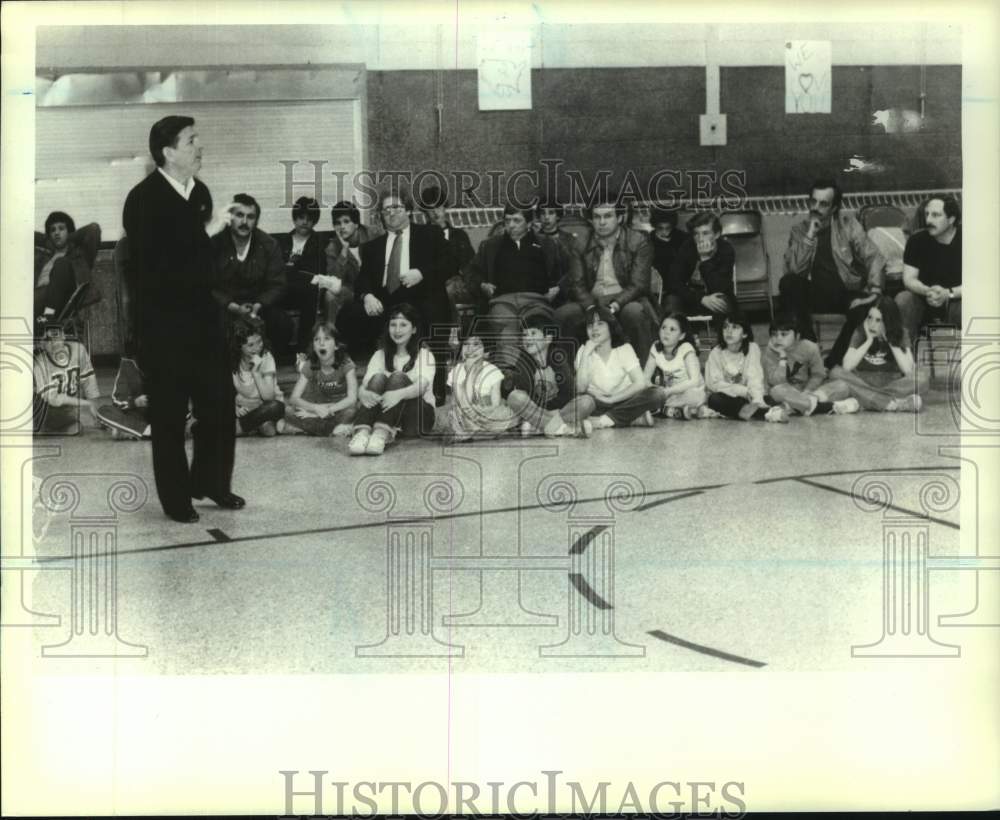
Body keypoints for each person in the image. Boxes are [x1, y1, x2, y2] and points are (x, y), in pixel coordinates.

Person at [122, 114, 242, 523]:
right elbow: (156, 270)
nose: (199, 146)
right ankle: (176, 500)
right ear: (169, 152)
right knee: (170, 417)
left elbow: (208, 265)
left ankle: (210, 482)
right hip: (164, 326)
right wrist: (207, 234)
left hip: (203, 322)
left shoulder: (201, 192)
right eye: (192, 141)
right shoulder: (142, 200)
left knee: (220, 407)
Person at [346, 188, 451, 403]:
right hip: (386, 299)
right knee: (349, 314)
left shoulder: (429, 234)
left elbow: (450, 262)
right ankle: (369, 381)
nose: (391, 213)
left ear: (409, 211)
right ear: (381, 216)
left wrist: (422, 273)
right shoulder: (372, 247)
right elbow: (362, 279)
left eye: (396, 207)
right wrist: (367, 295)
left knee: (435, 307)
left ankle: (436, 386)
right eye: (386, 210)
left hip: (420, 295)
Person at [780, 179, 886, 365]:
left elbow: (874, 257)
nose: (816, 207)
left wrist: (875, 291)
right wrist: (810, 234)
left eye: (823, 204)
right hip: (814, 294)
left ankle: (832, 362)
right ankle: (811, 346)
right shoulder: (799, 231)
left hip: (845, 292)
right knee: (788, 282)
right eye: (813, 201)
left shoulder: (849, 226)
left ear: (835, 208)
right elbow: (795, 270)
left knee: (865, 308)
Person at [555, 196, 659, 365]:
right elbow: (577, 284)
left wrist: (614, 306)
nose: (602, 222)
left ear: (620, 217)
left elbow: (639, 285)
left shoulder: (638, 241)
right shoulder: (580, 243)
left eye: (608, 216)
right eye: (597, 217)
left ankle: (644, 374)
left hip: (625, 300)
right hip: (590, 300)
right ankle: (568, 378)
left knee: (634, 313)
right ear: (591, 219)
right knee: (564, 315)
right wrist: (590, 306)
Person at [464, 204, 562, 364]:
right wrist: (482, 285)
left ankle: (541, 375)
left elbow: (566, 271)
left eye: (517, 221)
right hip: (503, 301)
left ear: (529, 223)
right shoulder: (490, 246)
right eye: (507, 220)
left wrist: (557, 288)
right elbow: (470, 272)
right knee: (508, 332)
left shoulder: (547, 244)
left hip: (536, 300)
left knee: (536, 332)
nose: (511, 225)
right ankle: (512, 378)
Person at [348, 303, 437, 456]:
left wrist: (397, 394)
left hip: (417, 418)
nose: (397, 330)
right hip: (391, 415)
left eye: (403, 325)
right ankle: (362, 433)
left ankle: (381, 434)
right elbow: (365, 386)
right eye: (393, 325)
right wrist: (363, 393)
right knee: (378, 378)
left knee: (397, 377)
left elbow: (421, 387)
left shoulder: (425, 355)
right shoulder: (379, 355)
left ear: (414, 329)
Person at [213, 192, 291, 353]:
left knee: (282, 322)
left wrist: (258, 305)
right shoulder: (215, 244)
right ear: (230, 218)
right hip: (227, 306)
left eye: (250, 217)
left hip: (258, 304)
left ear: (256, 221)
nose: (244, 222)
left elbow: (278, 284)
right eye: (239, 215)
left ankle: (268, 365)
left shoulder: (269, 244)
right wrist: (233, 307)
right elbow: (208, 286)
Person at [828, 296, 928, 412]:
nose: (871, 324)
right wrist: (868, 341)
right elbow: (847, 366)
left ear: (888, 321)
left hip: (891, 382)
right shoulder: (860, 332)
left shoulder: (901, 332)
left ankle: (867, 400)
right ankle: (894, 403)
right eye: (869, 318)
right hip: (862, 380)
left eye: (878, 320)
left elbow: (908, 370)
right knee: (835, 373)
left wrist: (891, 340)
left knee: (922, 377)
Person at [502, 313, 595, 437]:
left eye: (533, 333)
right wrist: (542, 412)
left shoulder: (557, 357)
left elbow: (569, 393)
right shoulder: (523, 360)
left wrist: (551, 414)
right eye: (524, 335)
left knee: (588, 402)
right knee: (514, 397)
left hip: (558, 410)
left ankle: (541, 427)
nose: (527, 339)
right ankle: (565, 427)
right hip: (537, 410)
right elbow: (526, 395)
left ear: (548, 339)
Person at [574, 304, 665, 429]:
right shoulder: (583, 351)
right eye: (590, 325)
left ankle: (603, 421)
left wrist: (612, 399)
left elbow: (640, 383)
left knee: (658, 394)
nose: (594, 329)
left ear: (610, 327)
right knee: (582, 404)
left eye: (600, 324)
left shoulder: (624, 349)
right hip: (597, 402)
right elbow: (580, 388)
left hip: (625, 399)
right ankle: (630, 418)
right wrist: (585, 355)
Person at [761, 313, 858, 416]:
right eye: (774, 334)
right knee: (776, 391)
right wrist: (782, 357)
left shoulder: (809, 347)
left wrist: (807, 391)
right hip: (786, 391)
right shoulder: (770, 352)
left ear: (797, 336)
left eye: (784, 334)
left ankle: (798, 406)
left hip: (809, 391)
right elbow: (775, 382)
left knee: (842, 386)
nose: (778, 338)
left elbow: (818, 375)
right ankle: (826, 407)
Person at [895, 196, 962, 343]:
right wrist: (927, 291)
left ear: (951, 219)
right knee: (903, 299)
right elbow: (909, 279)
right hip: (924, 299)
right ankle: (906, 355)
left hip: (956, 300)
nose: (928, 221)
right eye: (927, 214)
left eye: (936, 215)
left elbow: (978, 285)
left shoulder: (968, 239)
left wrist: (947, 294)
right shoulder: (917, 240)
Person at [701, 312, 789, 423]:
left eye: (735, 327)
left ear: (745, 334)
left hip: (750, 395)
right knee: (714, 400)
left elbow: (755, 377)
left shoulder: (753, 348)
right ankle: (765, 413)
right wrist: (742, 391)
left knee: (767, 397)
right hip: (729, 396)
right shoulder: (716, 353)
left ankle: (751, 411)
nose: (729, 331)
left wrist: (757, 399)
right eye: (725, 327)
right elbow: (714, 384)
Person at [284, 320, 358, 436]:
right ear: (313, 346)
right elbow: (294, 398)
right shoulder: (310, 364)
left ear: (336, 346)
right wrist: (315, 409)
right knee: (287, 410)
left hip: (338, 409)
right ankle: (332, 430)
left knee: (352, 411)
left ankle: (310, 429)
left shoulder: (346, 364)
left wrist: (327, 410)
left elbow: (352, 399)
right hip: (317, 408)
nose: (321, 343)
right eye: (316, 339)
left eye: (327, 339)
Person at [276, 196, 327, 348]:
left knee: (309, 292)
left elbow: (318, 271)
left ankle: (303, 349)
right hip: (282, 290)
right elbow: (276, 269)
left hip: (305, 291)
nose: (305, 222)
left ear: (315, 221)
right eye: (301, 217)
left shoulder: (320, 242)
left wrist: (292, 269)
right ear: (294, 218)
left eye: (309, 218)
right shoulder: (282, 241)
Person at [446, 332, 516, 443]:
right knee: (452, 415)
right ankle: (480, 433)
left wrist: (479, 413)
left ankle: (470, 433)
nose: (470, 349)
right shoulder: (456, 371)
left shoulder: (492, 371)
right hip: (462, 411)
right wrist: (470, 374)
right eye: (466, 344)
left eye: (476, 344)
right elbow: (463, 403)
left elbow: (495, 405)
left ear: (486, 352)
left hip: (486, 412)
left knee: (505, 414)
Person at [664, 211, 736, 320]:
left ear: (717, 234)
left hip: (715, 297)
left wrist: (705, 259)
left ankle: (722, 336)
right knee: (671, 301)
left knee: (723, 301)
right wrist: (701, 298)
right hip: (691, 298)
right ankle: (678, 335)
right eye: (696, 234)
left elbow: (721, 287)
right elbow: (674, 283)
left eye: (705, 233)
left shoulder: (726, 250)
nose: (700, 238)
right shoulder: (687, 247)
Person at [32, 321, 100, 434]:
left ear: (63, 335)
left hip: (70, 406)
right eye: (48, 340)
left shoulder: (78, 349)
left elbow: (88, 381)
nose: (54, 343)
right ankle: (44, 428)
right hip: (47, 409)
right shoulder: (40, 364)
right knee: (78, 424)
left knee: (79, 427)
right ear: (41, 343)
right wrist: (86, 405)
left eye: (56, 335)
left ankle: (58, 428)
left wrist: (95, 408)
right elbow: (55, 400)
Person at [34, 212, 102, 323]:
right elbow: (25, 235)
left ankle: (48, 316)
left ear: (69, 232)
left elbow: (93, 229)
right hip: (39, 298)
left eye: (61, 228)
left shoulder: (80, 254)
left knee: (61, 263)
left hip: (66, 299)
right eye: (53, 230)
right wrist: (49, 240)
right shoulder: (44, 257)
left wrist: (68, 236)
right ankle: (43, 321)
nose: (56, 232)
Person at [418, 186, 476, 317]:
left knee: (451, 289)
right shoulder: (420, 237)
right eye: (430, 209)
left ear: (445, 208)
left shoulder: (459, 235)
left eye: (438, 207)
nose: (435, 212)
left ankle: (457, 332)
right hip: (429, 283)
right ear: (425, 212)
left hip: (456, 283)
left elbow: (470, 263)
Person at [325, 200, 379, 331]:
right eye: (337, 223)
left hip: (375, 286)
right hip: (353, 290)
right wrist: (344, 251)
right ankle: (331, 336)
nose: (341, 227)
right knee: (330, 294)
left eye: (346, 221)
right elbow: (334, 282)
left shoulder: (373, 234)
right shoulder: (332, 248)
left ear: (356, 224)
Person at [642, 312, 706, 419]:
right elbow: (645, 379)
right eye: (663, 328)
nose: (666, 332)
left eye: (672, 329)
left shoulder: (686, 348)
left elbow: (694, 381)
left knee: (695, 396)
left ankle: (663, 409)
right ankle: (677, 411)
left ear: (681, 336)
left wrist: (667, 392)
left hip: (691, 391)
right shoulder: (656, 347)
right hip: (669, 393)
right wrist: (656, 389)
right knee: (642, 392)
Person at [229, 316, 285, 437]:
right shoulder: (232, 360)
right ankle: (254, 424)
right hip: (246, 407)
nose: (257, 347)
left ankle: (239, 427)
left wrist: (256, 372)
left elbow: (268, 397)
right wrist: (234, 406)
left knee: (275, 408)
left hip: (266, 406)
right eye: (250, 345)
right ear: (239, 347)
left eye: (259, 341)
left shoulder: (266, 357)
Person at [95, 356, 152, 440]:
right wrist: (135, 402)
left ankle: (129, 430)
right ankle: (145, 430)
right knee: (104, 411)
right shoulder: (128, 363)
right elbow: (117, 400)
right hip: (137, 414)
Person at [648, 208, 688, 307]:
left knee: (672, 303)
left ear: (673, 226)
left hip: (678, 289)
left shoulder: (683, 239)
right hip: (653, 289)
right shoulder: (648, 241)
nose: (665, 232)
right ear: (654, 226)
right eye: (660, 228)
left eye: (668, 228)